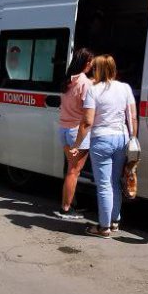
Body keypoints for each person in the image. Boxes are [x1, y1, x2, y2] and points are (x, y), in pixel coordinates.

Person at [71, 55, 137, 238]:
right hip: (122, 138)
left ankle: (104, 227)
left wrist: (77, 144)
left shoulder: (94, 90)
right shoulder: (125, 88)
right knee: (115, 182)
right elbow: (132, 117)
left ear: (97, 70)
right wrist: (133, 138)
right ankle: (115, 221)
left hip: (102, 140)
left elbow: (87, 122)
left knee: (104, 185)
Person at [54, 48, 94, 220]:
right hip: (76, 132)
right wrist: (78, 142)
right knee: (74, 172)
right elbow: (87, 117)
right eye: (90, 61)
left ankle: (69, 203)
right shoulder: (86, 84)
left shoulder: (68, 80)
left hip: (63, 129)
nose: (92, 64)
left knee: (71, 170)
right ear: (86, 63)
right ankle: (66, 208)